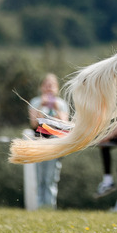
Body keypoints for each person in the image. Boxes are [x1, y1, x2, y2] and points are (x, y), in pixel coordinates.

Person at [28, 73, 70, 209]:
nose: (48, 88)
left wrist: (56, 108)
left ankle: (50, 206)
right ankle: (40, 205)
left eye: (51, 85)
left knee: (50, 176)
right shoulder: (35, 102)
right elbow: (34, 123)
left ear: (56, 88)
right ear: (41, 87)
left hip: (54, 141)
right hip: (39, 140)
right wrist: (41, 106)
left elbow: (64, 124)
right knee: (40, 175)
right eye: (46, 85)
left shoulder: (61, 104)